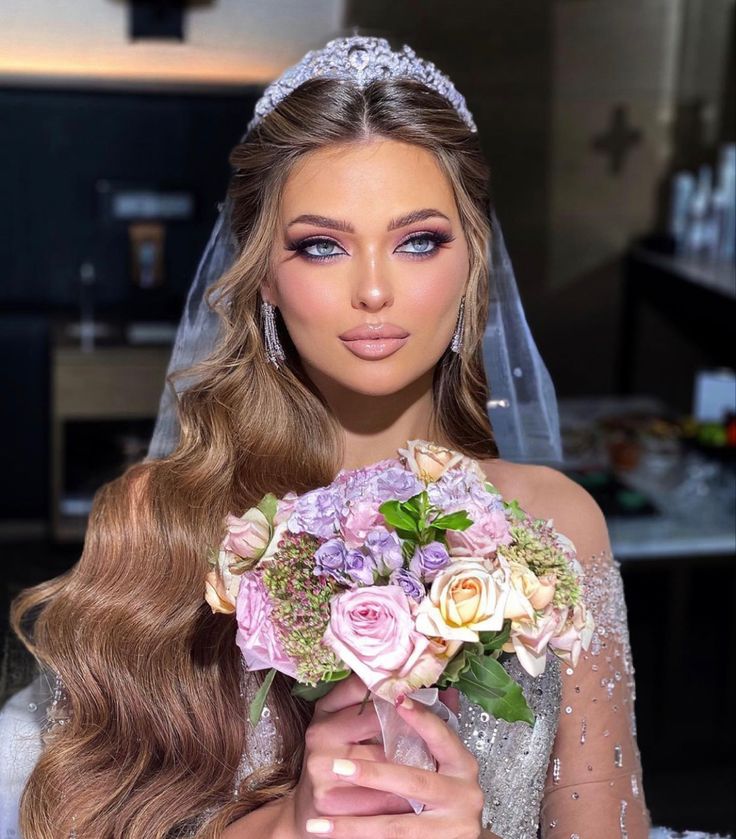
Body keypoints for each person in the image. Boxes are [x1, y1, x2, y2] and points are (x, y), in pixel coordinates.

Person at [1, 33, 730, 839]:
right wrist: (286, 825)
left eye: (419, 240)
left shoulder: (558, 527)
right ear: (267, 278)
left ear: (472, 265)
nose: (375, 289)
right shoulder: (164, 516)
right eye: (322, 245)